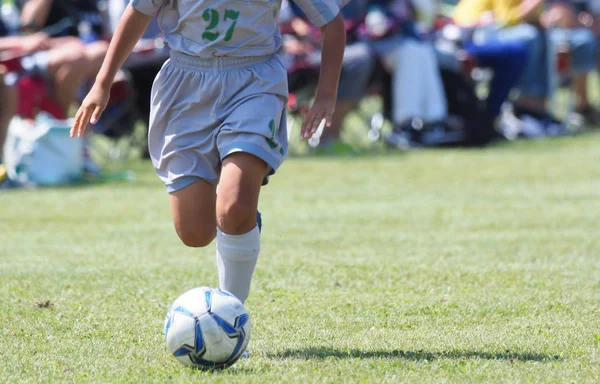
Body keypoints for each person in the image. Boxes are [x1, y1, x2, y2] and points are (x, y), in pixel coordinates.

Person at [70, 0, 347, 328]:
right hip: (185, 83)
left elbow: (332, 23)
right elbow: (137, 12)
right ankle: (243, 220)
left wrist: (327, 93)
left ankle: (231, 320)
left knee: (233, 208)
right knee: (195, 232)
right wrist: (102, 83)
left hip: (255, 81)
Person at [280, 0, 376, 152]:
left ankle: (330, 135)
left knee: (361, 58)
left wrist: (326, 94)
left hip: (320, 47)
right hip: (287, 57)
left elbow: (333, 20)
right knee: (359, 59)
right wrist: (286, 41)